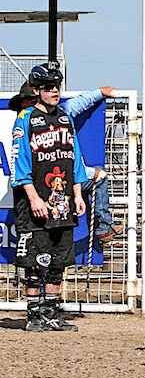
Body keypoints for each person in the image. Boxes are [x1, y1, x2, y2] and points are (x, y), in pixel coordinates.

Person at [10, 64, 87, 332]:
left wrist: (78, 194)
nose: (54, 92)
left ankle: (52, 313)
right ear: (37, 90)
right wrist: (33, 198)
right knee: (34, 261)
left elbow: (75, 158)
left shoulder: (65, 119)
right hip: (35, 203)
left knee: (59, 260)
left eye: (57, 87)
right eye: (48, 88)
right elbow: (19, 162)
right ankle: (33, 315)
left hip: (62, 202)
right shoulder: (26, 119)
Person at [10, 82, 124, 245]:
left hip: (53, 186)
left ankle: (103, 228)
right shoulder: (25, 124)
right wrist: (90, 174)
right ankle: (104, 227)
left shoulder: (58, 115)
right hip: (36, 188)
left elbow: (67, 159)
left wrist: (99, 92)